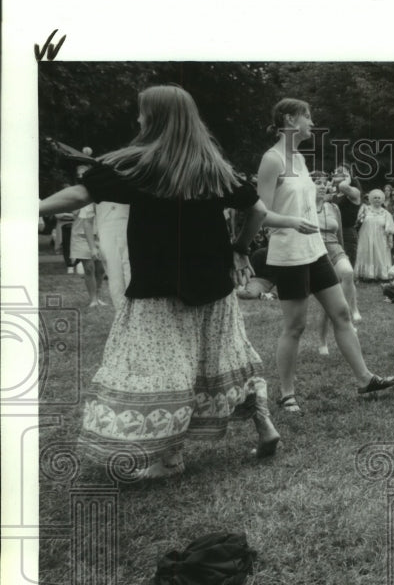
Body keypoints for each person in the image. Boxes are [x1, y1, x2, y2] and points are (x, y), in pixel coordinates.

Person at [39, 85, 285, 478]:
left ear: (153, 117)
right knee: (225, 358)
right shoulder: (212, 166)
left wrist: (33, 206)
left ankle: (169, 458)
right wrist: (239, 246)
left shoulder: (139, 165)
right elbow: (257, 208)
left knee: (162, 369)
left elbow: (79, 194)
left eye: (141, 113)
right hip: (212, 284)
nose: (137, 119)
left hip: (157, 283)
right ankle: (263, 423)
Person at [256, 98, 394, 413]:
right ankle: (287, 393)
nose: (311, 123)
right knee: (295, 325)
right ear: (290, 119)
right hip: (289, 252)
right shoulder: (272, 159)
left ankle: (364, 379)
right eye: (308, 117)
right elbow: (260, 213)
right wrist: (292, 221)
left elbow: (304, 201)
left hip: (315, 249)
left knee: (342, 313)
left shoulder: (299, 159)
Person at [316, 171, 361, 344]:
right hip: (316, 248)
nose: (322, 186)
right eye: (317, 182)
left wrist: (341, 251)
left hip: (335, 245)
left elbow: (340, 232)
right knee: (326, 297)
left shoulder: (334, 206)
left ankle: (347, 313)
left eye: (324, 182)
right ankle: (323, 340)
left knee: (348, 272)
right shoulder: (305, 206)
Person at [354, 188, 394, 281]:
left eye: (379, 198)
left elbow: (389, 230)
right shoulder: (365, 210)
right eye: (375, 197)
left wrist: (390, 241)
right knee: (366, 254)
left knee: (380, 255)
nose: (377, 199)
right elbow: (358, 222)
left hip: (381, 238)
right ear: (371, 199)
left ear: (382, 200)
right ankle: (365, 274)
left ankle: (380, 275)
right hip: (366, 237)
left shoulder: (386, 213)